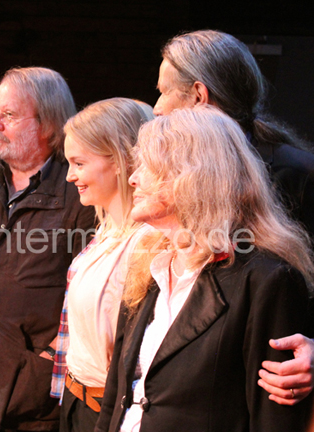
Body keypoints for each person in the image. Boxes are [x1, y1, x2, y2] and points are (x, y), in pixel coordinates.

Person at [96, 106, 314, 432]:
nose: (132, 178)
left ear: (193, 175)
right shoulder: (147, 267)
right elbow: (117, 399)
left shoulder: (266, 281)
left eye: (148, 166)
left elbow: (274, 419)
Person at [152, 29, 314, 404]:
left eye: (163, 91)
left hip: (267, 387)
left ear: (198, 95)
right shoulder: (177, 176)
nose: (156, 107)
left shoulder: (297, 176)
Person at [0, 67, 96, 432]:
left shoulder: (80, 193)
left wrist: (45, 361)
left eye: (9, 115)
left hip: (36, 394)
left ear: (47, 123)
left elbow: (90, 295)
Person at [51, 98, 154, 432]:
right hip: (76, 400)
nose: (69, 176)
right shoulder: (106, 230)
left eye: (79, 163)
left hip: (107, 411)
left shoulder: (147, 242)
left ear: (121, 160)